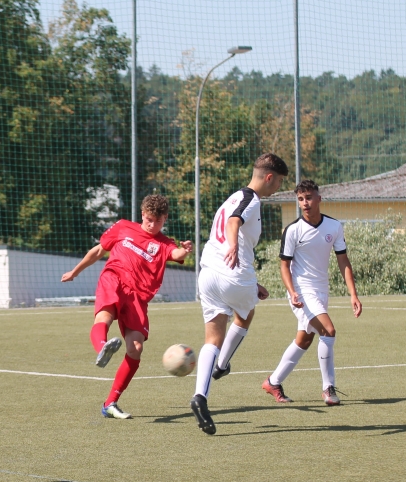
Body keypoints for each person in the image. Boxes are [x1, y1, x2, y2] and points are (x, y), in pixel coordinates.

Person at [62, 194, 192, 419]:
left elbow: (175, 253)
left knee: (136, 349)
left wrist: (186, 250)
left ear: (165, 219)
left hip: (138, 297)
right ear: (142, 214)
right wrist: (75, 271)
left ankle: (110, 403)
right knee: (105, 316)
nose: (152, 225)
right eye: (149, 219)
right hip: (114, 279)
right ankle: (102, 347)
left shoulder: (164, 243)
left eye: (158, 221)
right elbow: (98, 251)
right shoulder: (123, 227)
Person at [191, 153, 287, 435]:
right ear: (269, 177)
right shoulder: (251, 199)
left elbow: (231, 224)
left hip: (208, 274)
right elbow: (233, 224)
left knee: (212, 339)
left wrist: (250, 285)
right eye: (279, 182)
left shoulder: (232, 197)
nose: (279, 187)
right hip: (232, 271)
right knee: (246, 315)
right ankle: (222, 365)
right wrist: (233, 248)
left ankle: (200, 396)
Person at [262, 180, 362, 407]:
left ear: (319, 198)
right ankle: (328, 388)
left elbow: (343, 260)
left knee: (305, 339)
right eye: (300, 199)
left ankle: (273, 382)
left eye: (308, 197)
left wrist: (353, 294)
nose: (305, 203)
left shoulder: (334, 227)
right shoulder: (293, 230)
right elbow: (284, 266)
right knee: (328, 330)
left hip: (321, 290)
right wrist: (292, 292)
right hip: (301, 291)